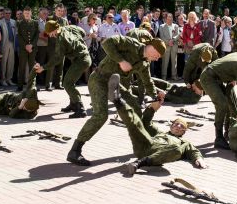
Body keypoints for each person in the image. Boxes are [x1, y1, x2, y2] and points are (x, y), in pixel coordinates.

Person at [66, 36, 166, 166]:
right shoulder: (132, 44)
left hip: (115, 84)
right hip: (99, 79)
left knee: (135, 108)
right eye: (157, 55)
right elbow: (106, 42)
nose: (157, 58)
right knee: (101, 115)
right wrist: (121, 61)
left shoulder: (144, 63)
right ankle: (75, 151)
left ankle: (142, 145)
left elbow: (147, 81)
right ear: (152, 48)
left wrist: (156, 96)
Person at [108, 74, 206, 175]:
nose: (178, 126)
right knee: (136, 122)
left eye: (181, 126)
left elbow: (194, 152)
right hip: (144, 146)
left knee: (177, 150)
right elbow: (146, 122)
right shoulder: (159, 132)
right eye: (176, 124)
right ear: (171, 126)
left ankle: (139, 163)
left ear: (183, 132)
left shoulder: (184, 144)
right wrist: (152, 108)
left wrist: (198, 159)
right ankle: (117, 99)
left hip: (155, 155)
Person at [41, 21, 91, 117]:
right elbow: (83, 32)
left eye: (50, 33)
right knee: (69, 81)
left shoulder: (61, 39)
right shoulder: (70, 27)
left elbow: (57, 58)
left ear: (55, 30)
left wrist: (44, 67)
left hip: (81, 60)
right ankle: (73, 104)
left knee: (67, 83)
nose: (50, 36)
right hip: (83, 57)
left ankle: (80, 109)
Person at [16, 7, 39, 91]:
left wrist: (31, 45)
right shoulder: (19, 23)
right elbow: (19, 36)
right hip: (23, 48)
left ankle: (32, 85)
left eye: (28, 13)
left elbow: (37, 35)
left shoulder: (35, 23)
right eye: (25, 13)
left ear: (31, 13)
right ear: (23, 14)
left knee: (32, 67)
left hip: (32, 48)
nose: (27, 15)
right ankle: (20, 86)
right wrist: (25, 45)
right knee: (21, 66)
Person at [0, 8, 16, 86]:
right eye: (6, 13)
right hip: (4, 44)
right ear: (3, 14)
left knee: (11, 63)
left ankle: (9, 79)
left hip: (12, 43)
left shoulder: (13, 22)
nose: (8, 15)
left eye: (9, 13)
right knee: (3, 63)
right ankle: (3, 79)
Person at [158, 13, 180, 80]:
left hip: (174, 45)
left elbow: (178, 35)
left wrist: (173, 40)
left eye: (171, 17)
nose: (170, 19)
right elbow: (162, 37)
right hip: (166, 46)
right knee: (165, 61)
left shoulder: (176, 26)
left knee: (174, 61)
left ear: (173, 18)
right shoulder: (161, 26)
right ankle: (164, 76)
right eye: (168, 18)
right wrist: (168, 42)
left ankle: (174, 75)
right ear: (165, 19)